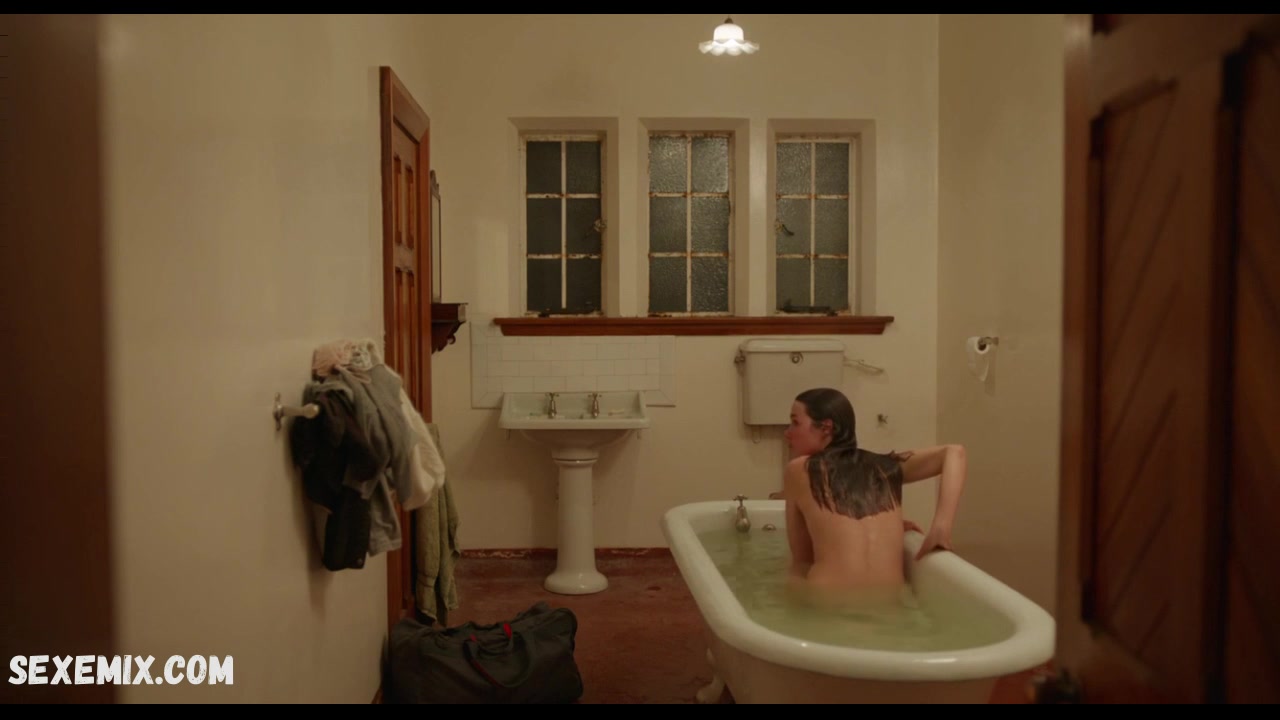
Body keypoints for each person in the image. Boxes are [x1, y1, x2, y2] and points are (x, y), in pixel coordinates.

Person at [779, 387, 966, 608]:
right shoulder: (884, 467)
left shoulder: (798, 469)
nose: (787, 432)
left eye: (795, 422)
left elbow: (802, 559)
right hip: (888, 605)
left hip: (828, 603)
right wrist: (941, 526)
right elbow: (954, 452)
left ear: (826, 428)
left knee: (791, 578)